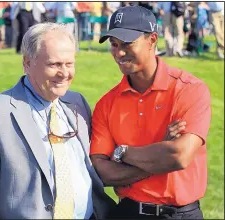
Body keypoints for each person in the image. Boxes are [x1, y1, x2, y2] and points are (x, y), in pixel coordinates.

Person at [0, 22, 115, 219]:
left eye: (69, 64)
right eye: (54, 64)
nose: (64, 73)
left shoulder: (77, 103)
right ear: (27, 63)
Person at [90, 5, 211, 219]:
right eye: (114, 44)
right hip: (128, 212)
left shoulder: (189, 89)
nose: (118, 52)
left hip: (181, 214)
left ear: (152, 40)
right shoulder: (106, 103)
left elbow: (178, 156)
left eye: (127, 44)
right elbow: (102, 172)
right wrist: (158, 156)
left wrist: (121, 153)